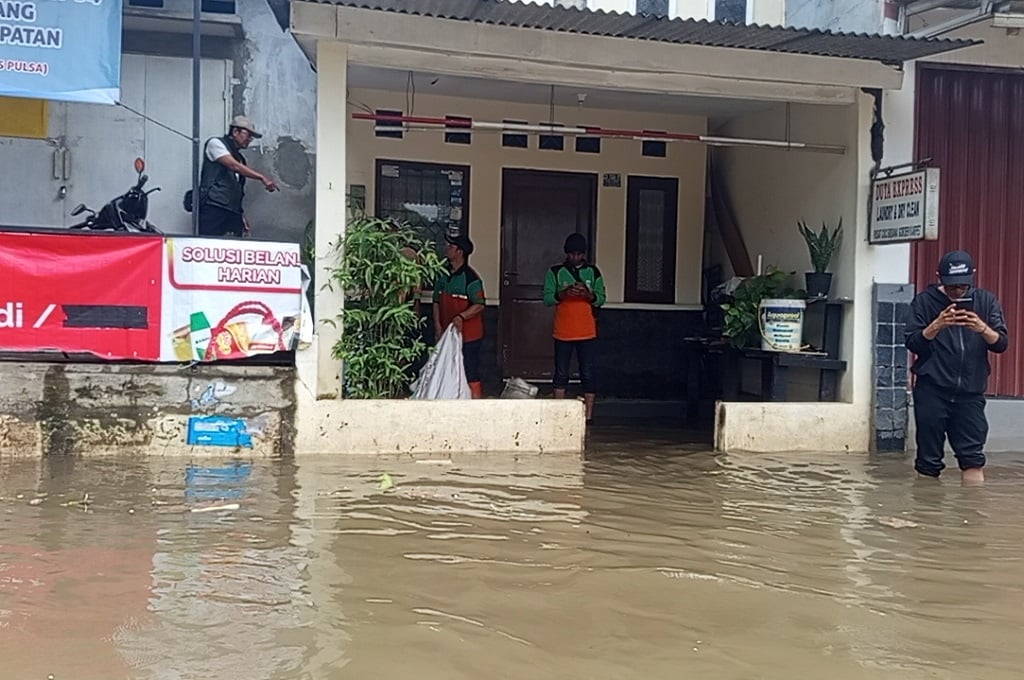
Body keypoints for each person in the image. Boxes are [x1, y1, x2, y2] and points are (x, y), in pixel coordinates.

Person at [905, 250, 1008, 484]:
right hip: (932, 390)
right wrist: (936, 326)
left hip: (971, 393)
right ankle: (926, 505)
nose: (958, 292)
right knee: (928, 462)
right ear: (939, 277)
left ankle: (972, 506)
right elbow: (912, 343)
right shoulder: (924, 301)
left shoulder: (986, 301)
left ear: (972, 276)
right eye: (952, 286)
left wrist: (982, 328)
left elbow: (1001, 344)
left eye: (963, 286)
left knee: (973, 460)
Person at [543, 233, 606, 423]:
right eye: (572, 254)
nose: (575, 257)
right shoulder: (555, 272)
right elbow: (547, 298)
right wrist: (564, 293)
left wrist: (588, 294)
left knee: (587, 373)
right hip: (563, 331)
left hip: (587, 331)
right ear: (567, 253)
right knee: (561, 373)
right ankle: (558, 414)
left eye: (579, 254)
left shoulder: (593, 272)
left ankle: (589, 416)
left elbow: (601, 299)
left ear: (583, 254)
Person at [197, 115, 278, 238]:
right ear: (235, 132)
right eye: (248, 135)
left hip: (232, 212)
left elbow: (237, 189)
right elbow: (234, 166)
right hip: (213, 207)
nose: (250, 139)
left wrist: (241, 216)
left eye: (251, 137)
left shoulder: (240, 158)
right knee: (209, 245)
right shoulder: (215, 144)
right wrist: (262, 177)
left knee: (233, 246)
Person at [433, 233, 485, 399]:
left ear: (460, 252)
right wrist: (438, 326)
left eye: (451, 246)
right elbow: (436, 302)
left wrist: (461, 317)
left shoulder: (471, 278)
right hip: (447, 334)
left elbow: (479, 305)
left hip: (469, 336)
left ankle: (475, 403)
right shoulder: (442, 275)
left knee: (470, 370)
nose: (446, 249)